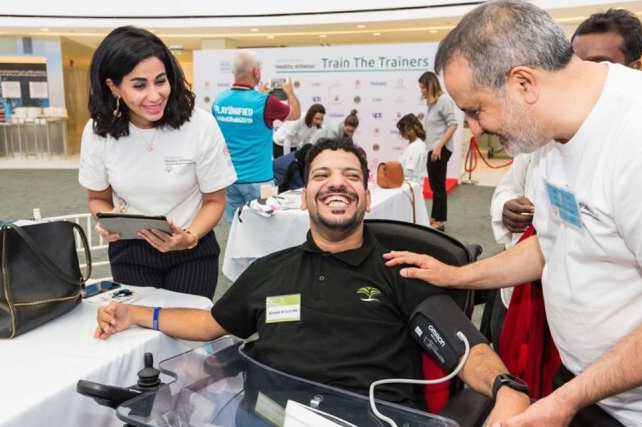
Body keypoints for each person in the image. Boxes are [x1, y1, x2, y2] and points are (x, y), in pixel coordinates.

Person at [385, 0, 642, 426]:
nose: (475, 129)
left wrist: (563, 401)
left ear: (523, 83)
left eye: (475, 110)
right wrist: (456, 275)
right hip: (593, 383)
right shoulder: (547, 133)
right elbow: (553, 243)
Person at [94, 137, 531, 424]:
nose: (336, 184)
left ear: (365, 196)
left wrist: (504, 388)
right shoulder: (270, 268)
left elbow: (463, 346)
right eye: (322, 176)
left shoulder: (401, 267)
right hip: (269, 415)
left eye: (351, 177)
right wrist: (134, 313)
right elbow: (210, 326)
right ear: (304, 196)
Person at [486, 9, 642, 353]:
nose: (582, 77)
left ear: (633, 70)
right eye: (577, 64)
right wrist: (506, 208)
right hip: (525, 292)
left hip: (605, 321)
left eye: (601, 64)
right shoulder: (544, 131)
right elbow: (509, 187)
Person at [78, 26, 236, 301]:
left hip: (192, 250)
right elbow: (96, 198)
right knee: (139, 333)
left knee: (189, 336)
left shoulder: (199, 125)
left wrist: (188, 237)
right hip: (131, 252)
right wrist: (107, 219)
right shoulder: (98, 132)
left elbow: (215, 201)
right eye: (139, 85)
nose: (154, 95)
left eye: (160, 81)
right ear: (113, 86)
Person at [212, 50, 300, 224]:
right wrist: (289, 92)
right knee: (267, 226)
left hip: (229, 179)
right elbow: (295, 114)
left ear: (233, 73)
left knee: (235, 226)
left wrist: (259, 94)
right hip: (261, 181)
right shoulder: (266, 102)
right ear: (256, 72)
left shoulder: (219, 100)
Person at [419, 71, 458, 232]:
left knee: (439, 186)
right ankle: (436, 217)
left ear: (430, 85)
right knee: (436, 186)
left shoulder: (444, 101)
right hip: (433, 149)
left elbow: (453, 124)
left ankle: (440, 221)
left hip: (440, 150)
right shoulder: (432, 103)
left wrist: (439, 146)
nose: (421, 90)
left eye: (423, 87)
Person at [396, 113, 428, 185]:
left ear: (408, 129)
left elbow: (408, 170)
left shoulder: (415, 147)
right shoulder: (419, 144)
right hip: (414, 185)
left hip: (411, 185)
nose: (401, 134)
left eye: (402, 131)